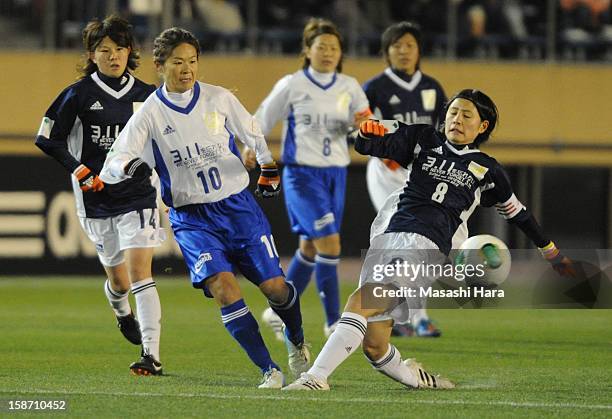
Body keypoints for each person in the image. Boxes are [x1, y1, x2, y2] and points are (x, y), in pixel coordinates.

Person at [284, 89, 575, 391]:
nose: (456, 120)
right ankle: (421, 379)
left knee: (360, 301)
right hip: (388, 237)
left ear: (482, 126)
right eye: (452, 112)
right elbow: (368, 145)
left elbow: (519, 215)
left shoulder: (488, 169)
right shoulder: (423, 138)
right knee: (374, 344)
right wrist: (367, 133)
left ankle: (316, 377)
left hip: (426, 246)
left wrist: (551, 253)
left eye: (466, 115)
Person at [99, 27, 310, 389]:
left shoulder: (219, 98)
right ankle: (268, 369)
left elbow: (252, 131)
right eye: (178, 62)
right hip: (193, 220)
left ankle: (296, 335)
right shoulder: (149, 113)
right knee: (224, 287)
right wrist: (129, 166)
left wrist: (267, 165)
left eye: (193, 61)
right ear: (159, 65)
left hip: (238, 208)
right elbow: (112, 161)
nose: (187, 69)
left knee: (276, 288)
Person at [35, 15, 164, 376]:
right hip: (95, 199)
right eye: (104, 50)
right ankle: (121, 310)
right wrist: (80, 170)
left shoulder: (147, 96)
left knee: (140, 272)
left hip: (138, 195)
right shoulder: (77, 94)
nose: (113, 56)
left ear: (129, 52)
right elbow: (47, 138)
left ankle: (150, 354)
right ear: (92, 55)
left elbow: (166, 141)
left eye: (120, 49)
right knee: (120, 282)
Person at [250, 18, 371, 340]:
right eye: (322, 47)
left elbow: (364, 126)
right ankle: (334, 323)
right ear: (307, 50)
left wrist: (360, 129)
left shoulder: (350, 86)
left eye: (334, 47)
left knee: (311, 248)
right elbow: (262, 119)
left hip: (337, 174)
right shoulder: (293, 84)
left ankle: (278, 310)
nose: (328, 52)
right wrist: (250, 147)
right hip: (302, 175)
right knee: (331, 244)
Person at [363, 21, 447, 338]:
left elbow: (441, 133)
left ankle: (417, 316)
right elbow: (360, 128)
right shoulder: (373, 87)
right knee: (391, 239)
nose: (403, 51)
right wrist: (386, 151)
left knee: (420, 243)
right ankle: (387, 313)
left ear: (419, 50)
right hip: (387, 172)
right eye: (396, 45)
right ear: (387, 52)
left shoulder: (433, 88)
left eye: (409, 45)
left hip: (422, 175)